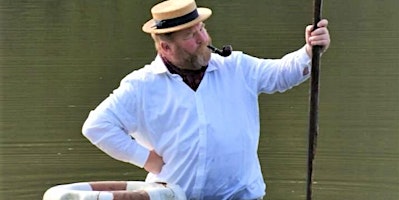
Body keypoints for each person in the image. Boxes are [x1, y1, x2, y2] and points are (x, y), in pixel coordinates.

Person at [82, 0, 331, 199]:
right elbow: (97, 127)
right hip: (173, 197)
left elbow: (281, 74)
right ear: (166, 48)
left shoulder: (236, 68)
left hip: (240, 197)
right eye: (191, 36)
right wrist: (146, 159)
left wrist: (309, 50)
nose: (203, 39)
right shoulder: (142, 86)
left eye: (202, 29)